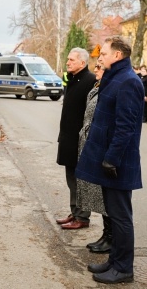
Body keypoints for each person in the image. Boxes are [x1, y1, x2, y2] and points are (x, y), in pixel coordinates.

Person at [76, 36, 144, 284]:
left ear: (117, 55)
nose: (99, 56)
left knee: (121, 217)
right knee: (114, 215)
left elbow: (125, 127)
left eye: (103, 53)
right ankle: (114, 261)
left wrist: (111, 159)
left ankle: (124, 268)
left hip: (118, 163)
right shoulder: (115, 77)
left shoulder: (128, 82)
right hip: (108, 159)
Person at [56, 48, 96, 229]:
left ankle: (82, 218)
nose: (67, 62)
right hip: (68, 138)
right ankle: (75, 212)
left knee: (80, 181)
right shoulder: (71, 78)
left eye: (71, 60)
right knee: (71, 179)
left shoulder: (90, 81)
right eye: (68, 59)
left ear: (82, 62)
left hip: (80, 141)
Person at [76, 63, 112, 254]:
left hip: (98, 145)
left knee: (106, 198)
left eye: (99, 66)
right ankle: (106, 235)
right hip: (88, 142)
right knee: (99, 195)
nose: (95, 69)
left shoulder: (109, 89)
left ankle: (110, 237)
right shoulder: (98, 86)